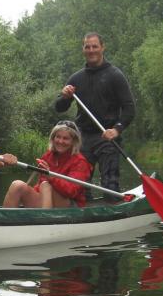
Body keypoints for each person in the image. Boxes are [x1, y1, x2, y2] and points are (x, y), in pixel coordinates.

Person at [55, 32, 135, 193]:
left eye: (95, 46)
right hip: (82, 139)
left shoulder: (115, 75)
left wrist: (117, 130)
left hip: (107, 136)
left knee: (110, 186)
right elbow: (59, 107)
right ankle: (83, 206)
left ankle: (113, 202)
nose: (91, 50)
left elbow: (129, 108)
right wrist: (64, 96)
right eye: (87, 47)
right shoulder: (76, 78)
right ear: (83, 49)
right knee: (79, 189)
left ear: (102, 48)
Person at [2, 120, 92, 208]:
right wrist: (29, 193)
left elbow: (72, 191)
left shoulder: (80, 162)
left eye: (65, 138)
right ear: (53, 138)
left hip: (70, 206)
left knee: (46, 185)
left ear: (73, 141)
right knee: (17, 185)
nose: (60, 141)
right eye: (58, 137)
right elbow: (39, 185)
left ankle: (44, 216)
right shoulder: (48, 156)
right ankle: (4, 217)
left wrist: (51, 177)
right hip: (47, 199)